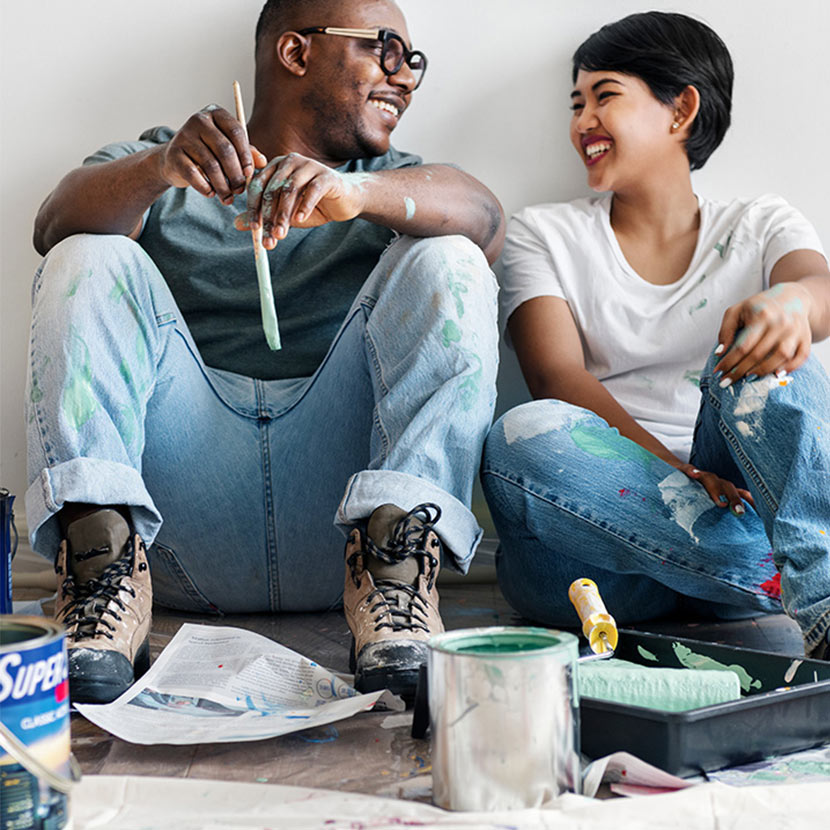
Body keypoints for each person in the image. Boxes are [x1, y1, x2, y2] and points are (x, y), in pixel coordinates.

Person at [28, 0, 504, 704]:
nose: (405, 79)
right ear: (294, 52)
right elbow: (53, 223)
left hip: (343, 537)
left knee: (452, 259)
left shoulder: (394, 181)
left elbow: (487, 219)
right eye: (386, 51)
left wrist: (357, 194)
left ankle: (400, 591)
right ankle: (100, 582)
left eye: (414, 63)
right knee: (86, 256)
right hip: (177, 536)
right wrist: (161, 167)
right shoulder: (165, 165)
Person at [482, 11, 830, 660]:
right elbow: (557, 377)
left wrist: (788, 305)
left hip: (738, 510)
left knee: (768, 347)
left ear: (681, 111)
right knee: (518, 437)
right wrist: (680, 472)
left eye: (604, 95)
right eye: (576, 102)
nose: (582, 120)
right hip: (590, 559)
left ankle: (818, 595)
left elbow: (819, 291)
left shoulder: (759, 223)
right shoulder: (544, 234)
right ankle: (782, 579)